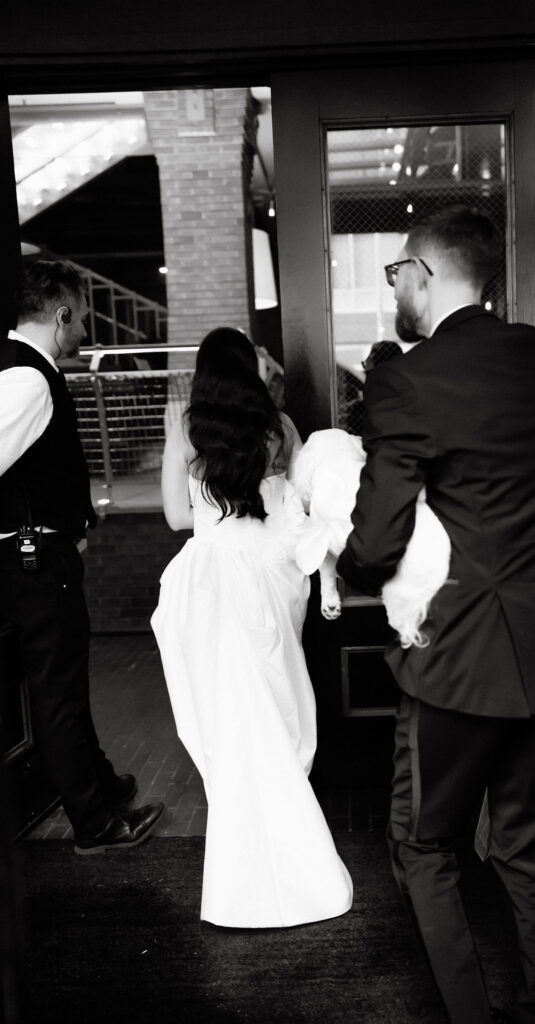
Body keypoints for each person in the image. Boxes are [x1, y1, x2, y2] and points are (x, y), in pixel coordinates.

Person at [336, 206, 535, 1024]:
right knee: (531, 856)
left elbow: (377, 542)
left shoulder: (410, 379)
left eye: (393, 275)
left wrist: (340, 560)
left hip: (461, 655)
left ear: (422, 270)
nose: (395, 291)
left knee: (423, 845)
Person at [151, 327, 353, 928]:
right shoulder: (277, 427)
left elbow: (174, 516)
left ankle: (243, 878)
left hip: (212, 583)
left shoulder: (187, 425)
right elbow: (294, 508)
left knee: (230, 723)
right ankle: (298, 863)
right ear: (250, 369)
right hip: (270, 578)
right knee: (275, 708)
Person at [0, 259, 165, 854]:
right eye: (83, 314)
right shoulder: (26, 379)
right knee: (59, 693)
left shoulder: (26, 370)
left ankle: (102, 786)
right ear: (62, 314)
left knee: (64, 686)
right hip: (34, 562)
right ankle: (94, 822)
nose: (86, 327)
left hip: (37, 556)